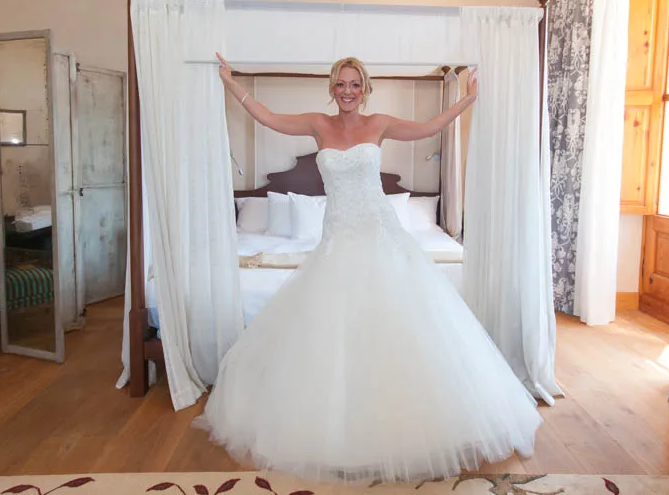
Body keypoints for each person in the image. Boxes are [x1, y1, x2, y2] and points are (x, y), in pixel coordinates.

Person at [194, 55, 543, 484]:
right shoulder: (317, 125)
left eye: (354, 84)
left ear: (365, 88)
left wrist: (467, 100)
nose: (347, 91)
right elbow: (267, 117)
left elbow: (429, 128)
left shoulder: (379, 123)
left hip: (380, 233)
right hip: (338, 239)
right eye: (341, 84)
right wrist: (231, 83)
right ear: (332, 87)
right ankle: (339, 426)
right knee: (332, 329)